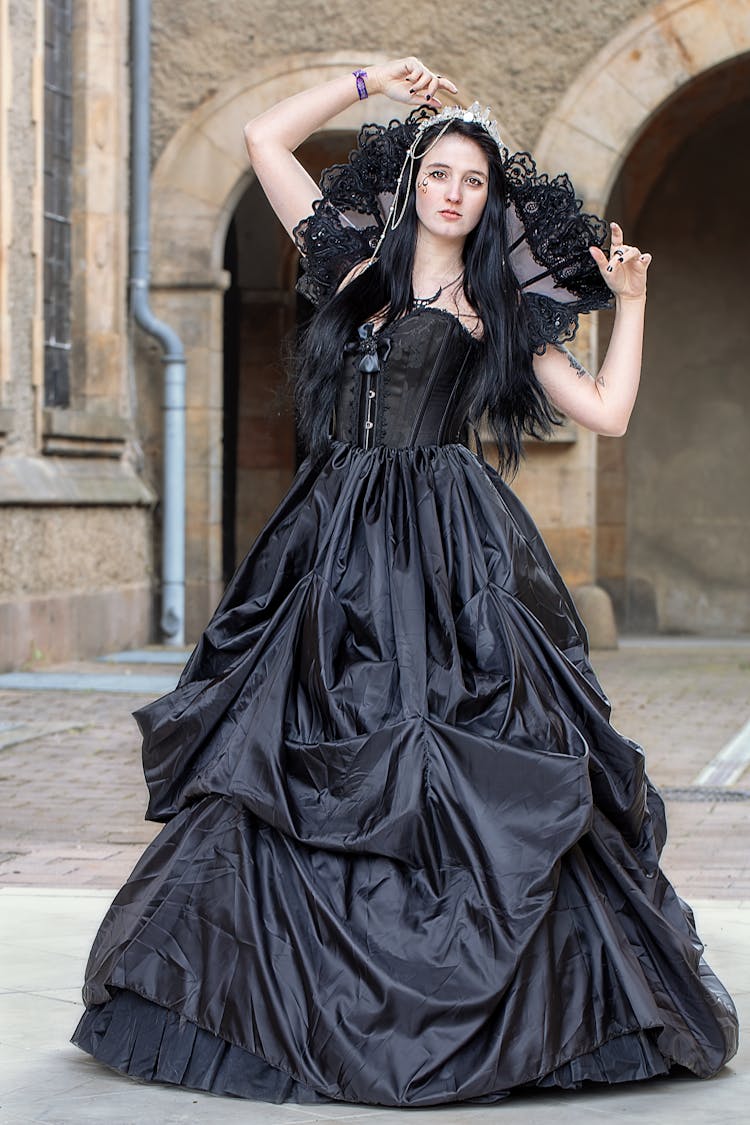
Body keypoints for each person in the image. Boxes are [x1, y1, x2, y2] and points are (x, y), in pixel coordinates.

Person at [71, 58, 738, 1106]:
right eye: (443, 174)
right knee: (292, 743)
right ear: (416, 177)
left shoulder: (499, 302)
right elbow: (261, 143)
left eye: (475, 182)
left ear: (487, 201)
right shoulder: (350, 265)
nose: (456, 193)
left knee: (453, 739)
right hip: (330, 534)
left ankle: (478, 990)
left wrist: (636, 304)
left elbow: (606, 411)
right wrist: (369, 77)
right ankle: (268, 986)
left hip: (448, 545)